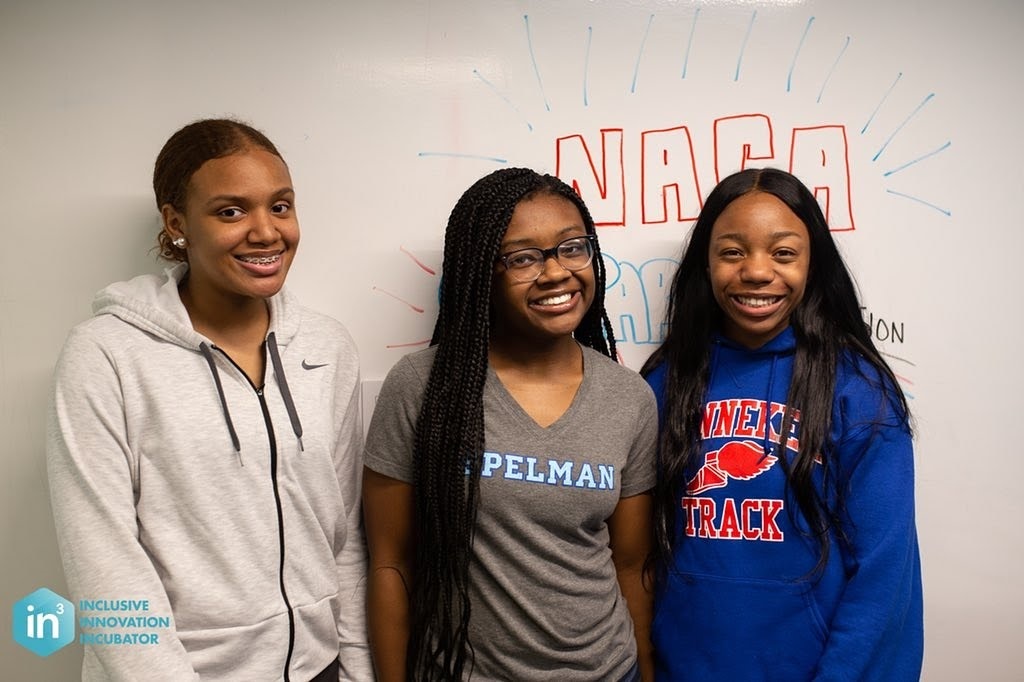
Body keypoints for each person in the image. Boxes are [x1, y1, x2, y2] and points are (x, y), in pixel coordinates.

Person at [46, 119, 371, 681]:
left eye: (281, 206)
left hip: (319, 669)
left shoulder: (326, 347)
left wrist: (358, 668)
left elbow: (342, 534)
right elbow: (104, 566)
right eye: (230, 211)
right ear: (177, 224)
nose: (267, 232)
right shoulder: (105, 355)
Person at [362, 167, 657, 681]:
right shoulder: (423, 387)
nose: (557, 272)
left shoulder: (628, 397)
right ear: (480, 272)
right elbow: (392, 564)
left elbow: (630, 567)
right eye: (523, 258)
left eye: (572, 247)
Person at [641, 167, 923, 680]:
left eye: (783, 253)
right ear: (706, 263)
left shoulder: (858, 391)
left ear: (812, 265)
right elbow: (639, 552)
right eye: (732, 252)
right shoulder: (667, 380)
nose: (756, 271)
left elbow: (885, 575)